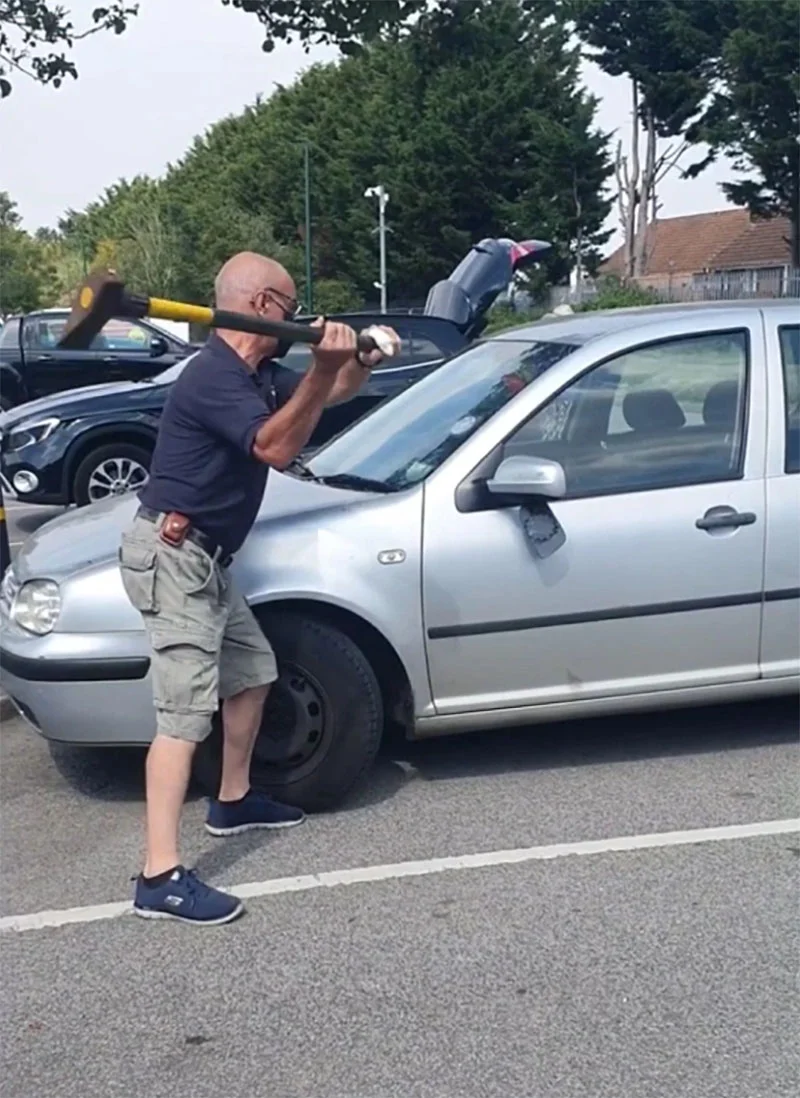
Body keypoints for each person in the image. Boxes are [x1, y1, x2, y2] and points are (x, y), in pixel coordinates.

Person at [118, 251, 400, 926]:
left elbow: (320, 400)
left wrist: (358, 361)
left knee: (251, 675)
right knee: (183, 717)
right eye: (292, 305)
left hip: (208, 559)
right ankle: (158, 876)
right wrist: (327, 365)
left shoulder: (258, 373)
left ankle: (234, 799)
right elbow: (274, 448)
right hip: (173, 556)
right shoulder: (212, 376)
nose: (298, 317)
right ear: (267, 308)